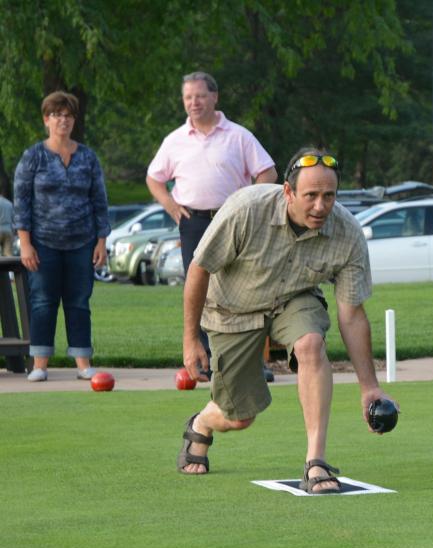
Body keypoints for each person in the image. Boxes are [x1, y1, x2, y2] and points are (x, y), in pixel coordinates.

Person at [176, 147, 398, 493]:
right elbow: (199, 269)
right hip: (232, 310)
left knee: (311, 344)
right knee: (238, 417)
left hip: (294, 299)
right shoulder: (246, 209)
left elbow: (351, 314)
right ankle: (203, 421)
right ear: (288, 192)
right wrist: (191, 338)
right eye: (311, 196)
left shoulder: (348, 233)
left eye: (329, 196)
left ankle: (316, 462)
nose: (321, 206)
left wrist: (369, 386)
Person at [13, 91, 110, 382]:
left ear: (73, 120)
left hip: (82, 241)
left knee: (79, 301)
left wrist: (101, 241)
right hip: (43, 242)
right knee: (42, 301)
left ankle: (82, 363)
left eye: (67, 115)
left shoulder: (88, 157)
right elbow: (21, 202)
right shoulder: (33, 157)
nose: (62, 120)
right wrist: (26, 243)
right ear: (46, 120)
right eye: (56, 115)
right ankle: (40, 364)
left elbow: (100, 201)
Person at [145, 71, 277, 275]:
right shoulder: (174, 140)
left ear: (214, 97)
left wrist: (250, 203)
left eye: (200, 96)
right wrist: (170, 205)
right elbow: (154, 178)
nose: (194, 102)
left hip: (233, 219)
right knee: (196, 283)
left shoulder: (239, 136)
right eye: (188, 97)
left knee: (235, 277)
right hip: (193, 221)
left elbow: (268, 173)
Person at [0, 191, 13, 256]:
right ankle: (9, 266)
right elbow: (13, 218)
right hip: (8, 230)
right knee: (8, 254)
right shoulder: (9, 203)